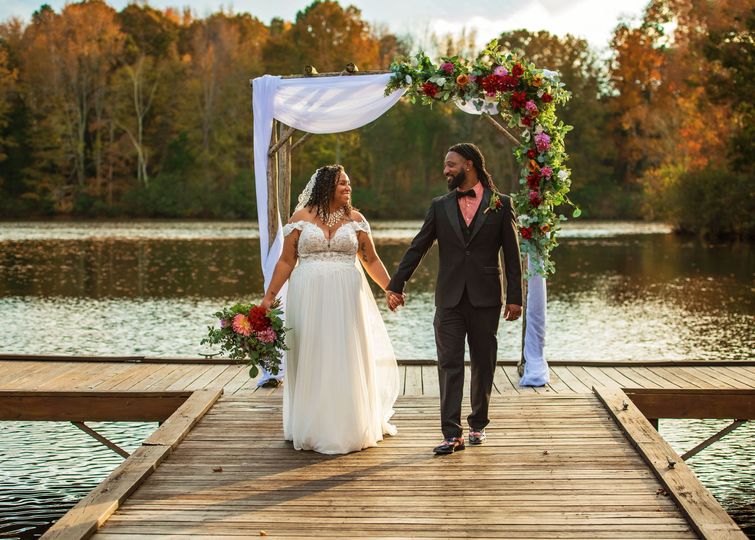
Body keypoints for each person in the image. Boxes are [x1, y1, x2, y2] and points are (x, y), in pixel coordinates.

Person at [386, 143, 522, 455]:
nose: (446, 170)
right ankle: (452, 434)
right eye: (446, 165)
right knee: (448, 364)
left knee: (484, 363)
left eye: (451, 164)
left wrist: (515, 297)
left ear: (469, 165)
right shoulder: (439, 206)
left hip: (486, 298)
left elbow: (512, 255)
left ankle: (477, 425)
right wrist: (397, 284)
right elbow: (418, 246)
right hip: (448, 298)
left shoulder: (500, 204)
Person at [261, 164, 400, 455]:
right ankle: (312, 424)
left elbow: (371, 260)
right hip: (308, 296)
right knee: (313, 353)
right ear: (325, 187)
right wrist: (269, 296)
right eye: (341, 184)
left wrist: (391, 288)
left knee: (344, 353)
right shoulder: (300, 220)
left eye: (348, 183)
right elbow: (286, 261)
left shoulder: (356, 220)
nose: (348, 188)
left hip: (346, 298)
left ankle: (348, 424)